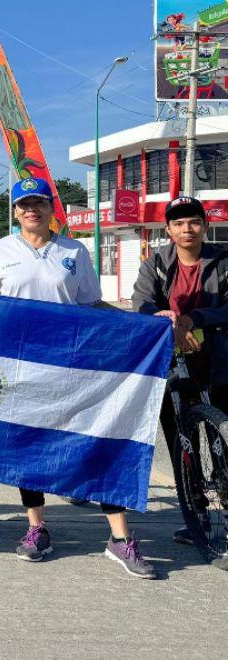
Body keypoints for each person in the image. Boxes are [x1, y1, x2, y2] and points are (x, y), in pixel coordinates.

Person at [0, 176, 156, 579]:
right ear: (16, 211)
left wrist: (144, 325)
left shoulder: (73, 250)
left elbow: (92, 305)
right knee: (29, 449)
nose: (31, 210)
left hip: (71, 365)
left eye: (38, 203)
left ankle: (119, 537)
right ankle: (36, 527)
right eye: (24, 205)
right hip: (19, 367)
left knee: (96, 439)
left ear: (51, 209)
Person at [131, 195, 228, 548]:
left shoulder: (223, 260)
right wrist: (163, 317)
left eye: (194, 221)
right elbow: (142, 303)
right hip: (172, 366)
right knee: (180, 440)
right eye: (179, 223)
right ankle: (196, 512)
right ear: (168, 229)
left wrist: (196, 317)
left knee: (222, 439)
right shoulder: (155, 264)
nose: (187, 228)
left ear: (205, 225)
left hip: (218, 360)